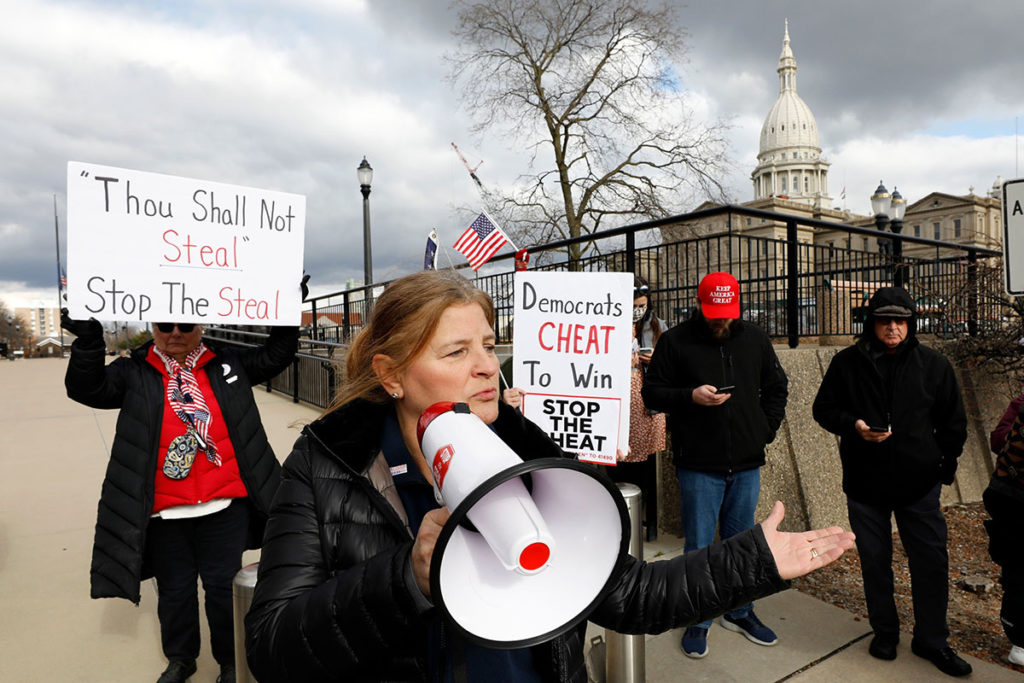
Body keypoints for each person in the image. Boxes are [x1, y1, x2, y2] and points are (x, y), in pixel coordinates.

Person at [244, 270, 854, 682]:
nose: (486, 368)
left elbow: (626, 594)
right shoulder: (324, 465)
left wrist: (750, 562)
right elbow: (273, 648)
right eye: (456, 353)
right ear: (392, 374)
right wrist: (407, 578)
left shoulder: (535, 458)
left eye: (488, 344)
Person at [62, 300, 301, 683]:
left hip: (224, 504)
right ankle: (181, 659)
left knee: (224, 591)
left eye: (185, 324)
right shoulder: (134, 371)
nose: (175, 332)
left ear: (200, 326)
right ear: (152, 326)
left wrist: (285, 308)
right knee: (174, 592)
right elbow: (86, 388)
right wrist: (89, 341)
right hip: (164, 510)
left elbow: (276, 355)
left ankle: (229, 660)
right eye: (164, 323)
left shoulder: (228, 363)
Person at [812, 285, 971, 677]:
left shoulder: (934, 365)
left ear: (911, 323)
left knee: (931, 561)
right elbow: (823, 409)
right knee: (874, 561)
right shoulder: (846, 363)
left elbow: (953, 422)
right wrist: (854, 426)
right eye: (885, 320)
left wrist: (941, 470)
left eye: (901, 321)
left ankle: (932, 639)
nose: (893, 328)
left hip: (919, 484)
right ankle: (884, 631)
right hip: (865, 485)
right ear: (872, 323)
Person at [641, 271, 788, 659]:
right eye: (713, 313)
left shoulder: (754, 338)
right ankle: (699, 616)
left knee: (743, 544)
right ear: (699, 303)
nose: (720, 320)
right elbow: (651, 392)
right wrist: (690, 396)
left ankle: (740, 611)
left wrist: (764, 431)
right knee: (700, 547)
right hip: (698, 465)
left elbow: (777, 387)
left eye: (726, 313)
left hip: (746, 461)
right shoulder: (675, 340)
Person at [607, 276, 667, 542]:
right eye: (633, 305)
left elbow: (672, 366)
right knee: (619, 463)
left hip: (647, 406)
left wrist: (656, 360)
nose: (638, 310)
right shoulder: (608, 325)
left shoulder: (656, 326)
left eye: (642, 304)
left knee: (647, 468)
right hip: (618, 404)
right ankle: (622, 521)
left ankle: (650, 522)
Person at [984, 394, 1024, 666]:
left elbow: (999, 440)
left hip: (1008, 497)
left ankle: (1019, 640)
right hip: (1014, 501)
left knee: (1017, 570)